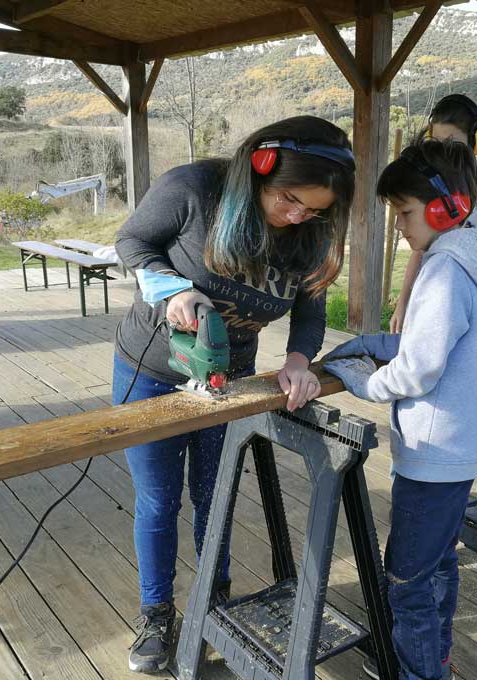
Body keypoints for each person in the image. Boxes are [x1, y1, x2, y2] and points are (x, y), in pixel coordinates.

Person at [112, 116, 355, 674]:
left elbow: (310, 307)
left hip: (232, 377)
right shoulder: (194, 189)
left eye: (314, 210)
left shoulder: (311, 230)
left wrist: (298, 361)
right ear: (258, 169)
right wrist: (169, 286)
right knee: (158, 499)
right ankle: (157, 613)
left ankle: (212, 604)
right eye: (290, 200)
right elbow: (133, 239)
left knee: (214, 495)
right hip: (150, 369)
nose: (298, 216)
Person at [323, 139, 477, 680]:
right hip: (460, 450)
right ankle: (437, 658)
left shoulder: (443, 272)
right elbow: (431, 342)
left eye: (405, 214)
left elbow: (417, 370)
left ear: (443, 207)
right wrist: (374, 343)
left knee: (406, 580)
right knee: (437, 565)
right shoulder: (475, 259)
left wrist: (364, 381)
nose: (400, 228)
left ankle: (420, 672)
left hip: (432, 457)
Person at [391, 93, 477, 333]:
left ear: (476, 141)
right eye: (436, 142)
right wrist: (403, 303)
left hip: (476, 315)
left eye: (452, 143)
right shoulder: (433, 186)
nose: (442, 152)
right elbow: (420, 251)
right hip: (438, 308)